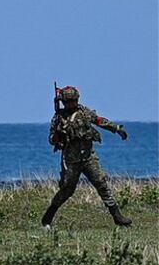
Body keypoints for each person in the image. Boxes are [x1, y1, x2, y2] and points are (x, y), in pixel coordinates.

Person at [42, 85, 131, 229]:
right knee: (67, 190)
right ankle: (47, 218)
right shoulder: (58, 118)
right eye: (68, 101)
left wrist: (116, 129)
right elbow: (52, 139)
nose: (71, 103)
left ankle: (117, 216)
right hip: (71, 160)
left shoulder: (84, 112)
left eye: (74, 100)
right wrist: (58, 133)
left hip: (89, 157)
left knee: (101, 184)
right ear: (64, 102)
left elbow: (100, 121)